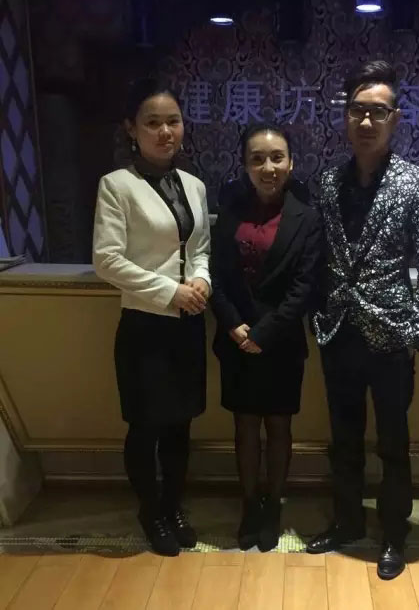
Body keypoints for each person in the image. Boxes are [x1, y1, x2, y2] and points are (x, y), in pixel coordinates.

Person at [306, 60, 419, 580]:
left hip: (390, 337)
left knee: (392, 443)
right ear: (345, 116)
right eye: (358, 110)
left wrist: (415, 332)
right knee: (343, 437)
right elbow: (320, 259)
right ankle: (346, 521)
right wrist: (319, 316)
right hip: (338, 331)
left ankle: (393, 533)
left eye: (378, 112)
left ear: (396, 118)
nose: (367, 121)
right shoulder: (327, 182)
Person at [93, 78, 211, 556]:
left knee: (182, 423)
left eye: (173, 121)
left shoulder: (194, 185)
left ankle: (174, 505)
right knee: (145, 427)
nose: (165, 132)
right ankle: (151, 511)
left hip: (188, 324)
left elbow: (200, 247)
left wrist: (201, 281)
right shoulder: (116, 186)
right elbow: (107, 260)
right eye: (153, 123)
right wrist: (170, 292)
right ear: (131, 128)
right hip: (144, 325)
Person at [209, 123, 321, 552]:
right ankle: (249, 505)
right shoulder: (230, 211)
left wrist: (264, 332)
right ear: (244, 165)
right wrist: (232, 324)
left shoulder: (307, 218)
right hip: (235, 338)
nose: (268, 167)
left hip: (281, 343)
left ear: (291, 163)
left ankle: (273, 505)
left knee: (278, 427)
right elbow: (216, 276)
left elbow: (304, 288)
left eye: (277, 158)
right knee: (244, 426)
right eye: (257, 159)